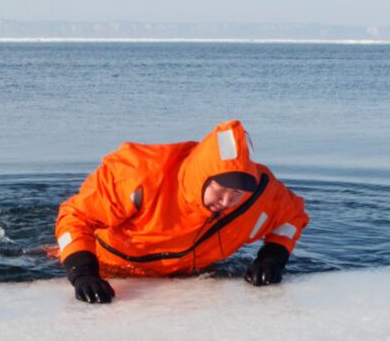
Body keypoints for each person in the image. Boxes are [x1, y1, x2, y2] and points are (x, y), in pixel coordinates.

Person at [55, 120, 309, 303]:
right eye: (219, 191)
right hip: (110, 267)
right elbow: (75, 217)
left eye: (236, 195)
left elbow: (292, 218)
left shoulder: (262, 194)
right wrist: (83, 274)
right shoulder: (139, 176)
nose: (226, 201)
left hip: (186, 278)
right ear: (202, 179)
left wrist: (271, 259)